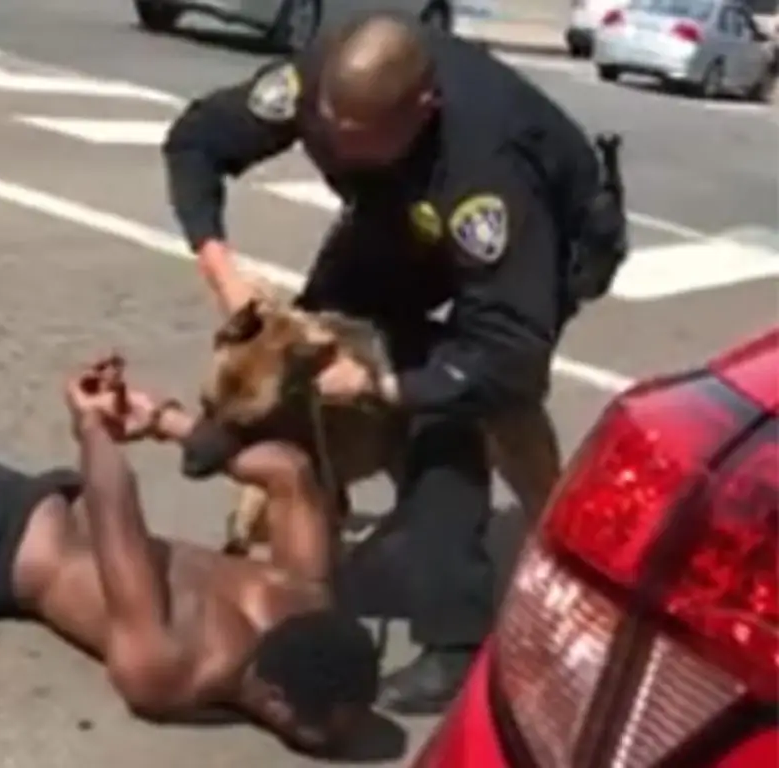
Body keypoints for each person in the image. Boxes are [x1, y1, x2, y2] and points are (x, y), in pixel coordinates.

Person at [161, 12, 628, 713]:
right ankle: (311, 524)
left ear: (423, 109)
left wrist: (384, 382)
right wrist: (220, 268)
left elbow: (506, 354)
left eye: (361, 139)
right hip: (400, 211)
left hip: (539, 247)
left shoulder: (490, 169)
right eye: (330, 132)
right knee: (307, 357)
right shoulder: (326, 79)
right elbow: (195, 140)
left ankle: (466, 628)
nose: (338, 148)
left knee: (451, 411)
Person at [0, 307, 379, 754]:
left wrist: (165, 422)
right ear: (274, 702)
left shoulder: (306, 589)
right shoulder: (175, 673)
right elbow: (120, 542)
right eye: (312, 738)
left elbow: (290, 475)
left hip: (54, 507)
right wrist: (94, 431)